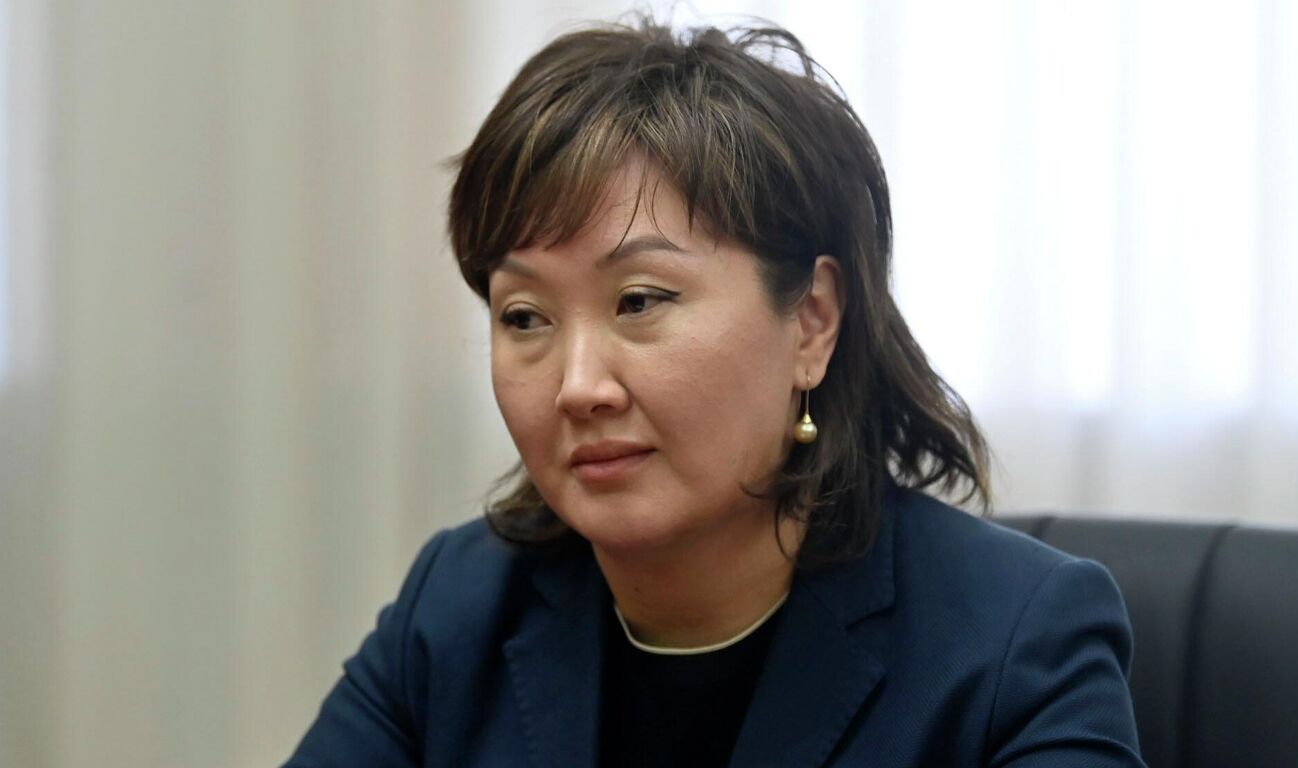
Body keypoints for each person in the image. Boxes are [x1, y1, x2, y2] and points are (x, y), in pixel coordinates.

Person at [284, 16, 1145, 768]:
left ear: (811, 323)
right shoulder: (458, 607)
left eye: (639, 301)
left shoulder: (1016, 642)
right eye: (524, 317)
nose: (578, 388)